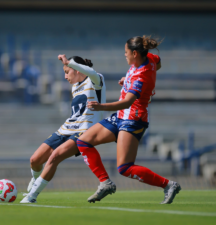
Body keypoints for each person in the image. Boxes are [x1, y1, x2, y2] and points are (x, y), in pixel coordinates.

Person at [76, 36, 181, 204]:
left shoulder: (141, 76)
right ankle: (105, 182)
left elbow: (127, 102)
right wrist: (128, 82)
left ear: (134, 53)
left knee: (124, 168)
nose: (124, 55)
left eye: (126, 52)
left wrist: (100, 106)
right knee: (83, 142)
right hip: (121, 116)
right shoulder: (149, 59)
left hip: (133, 120)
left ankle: (168, 185)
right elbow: (157, 63)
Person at [20, 54, 112, 203]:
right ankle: (34, 181)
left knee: (55, 157)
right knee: (35, 160)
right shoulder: (75, 87)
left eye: (67, 71)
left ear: (77, 70)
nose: (65, 76)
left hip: (84, 132)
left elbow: (92, 73)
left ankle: (32, 196)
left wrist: (70, 62)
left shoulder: (95, 79)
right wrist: (69, 65)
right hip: (66, 128)